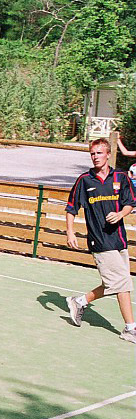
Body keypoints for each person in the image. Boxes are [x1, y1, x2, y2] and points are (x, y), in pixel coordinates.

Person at [64, 138, 136, 343]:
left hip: (119, 239)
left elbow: (130, 203)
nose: (95, 157)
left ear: (108, 154)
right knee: (121, 283)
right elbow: (71, 208)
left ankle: (79, 301)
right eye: (92, 153)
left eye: (99, 153)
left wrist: (121, 214)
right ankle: (130, 328)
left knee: (117, 282)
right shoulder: (84, 180)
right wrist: (70, 232)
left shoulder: (121, 177)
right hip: (99, 240)